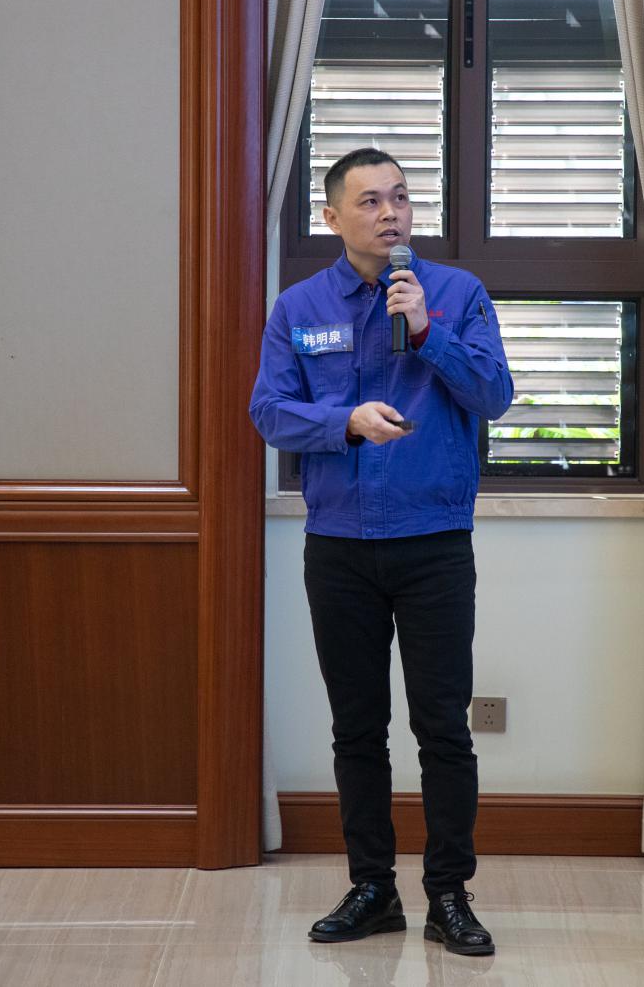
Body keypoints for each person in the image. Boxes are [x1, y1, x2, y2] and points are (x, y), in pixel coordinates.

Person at [249, 147, 513, 957]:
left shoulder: (457, 293)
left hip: (434, 544)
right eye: (369, 200)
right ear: (332, 216)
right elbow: (269, 411)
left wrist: (428, 331)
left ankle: (449, 894)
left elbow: (495, 395)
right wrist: (344, 422)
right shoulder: (299, 307)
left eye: (399, 196)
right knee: (357, 728)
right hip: (339, 547)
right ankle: (372, 887)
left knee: (443, 727)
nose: (390, 212)